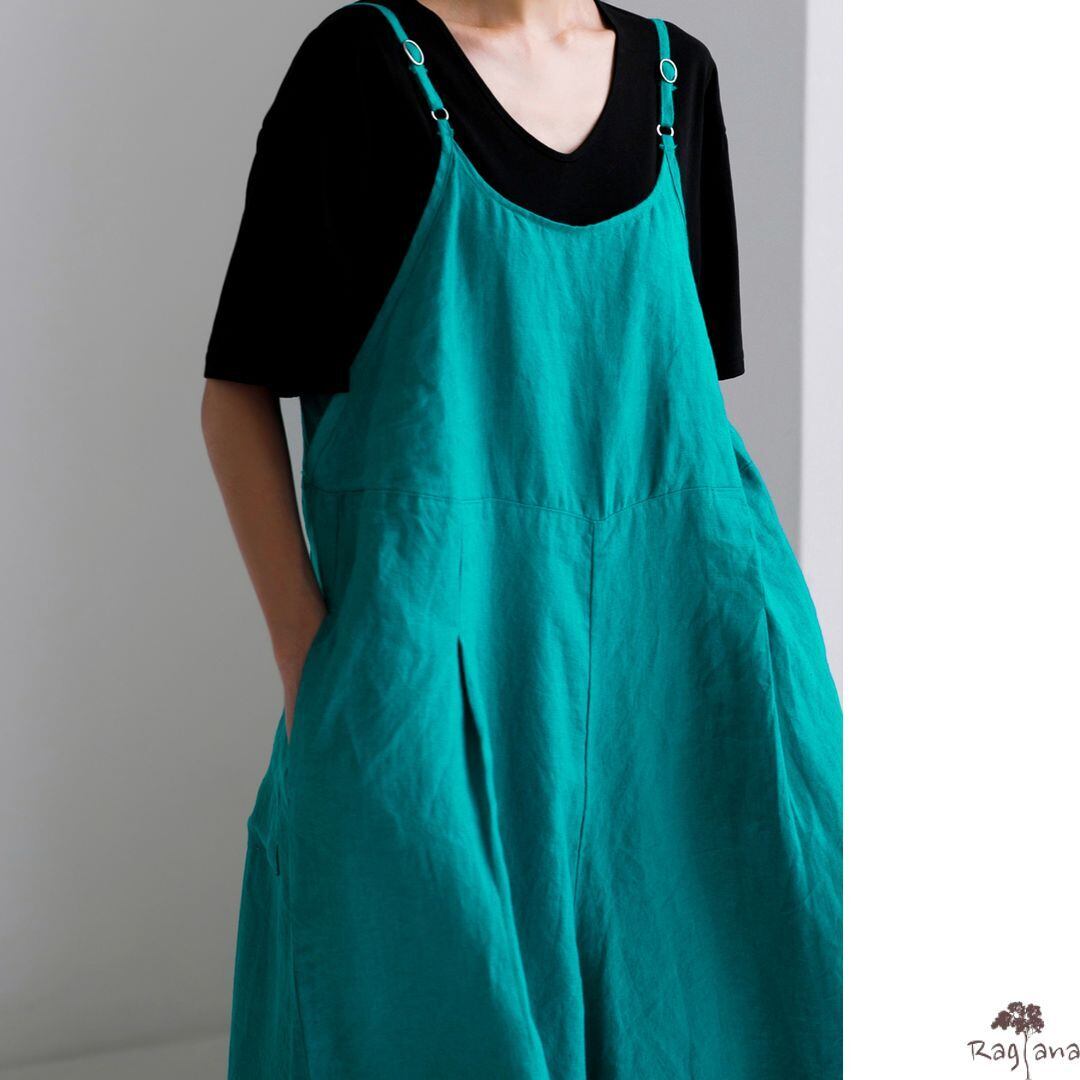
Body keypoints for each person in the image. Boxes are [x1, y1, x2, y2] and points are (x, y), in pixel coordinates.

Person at [202, 1, 842, 1076]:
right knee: (422, 1013)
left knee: (730, 1013)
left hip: (684, 651)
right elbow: (236, 396)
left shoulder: (680, 80)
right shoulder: (362, 68)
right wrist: (309, 660)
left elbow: (684, 403)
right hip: (444, 656)